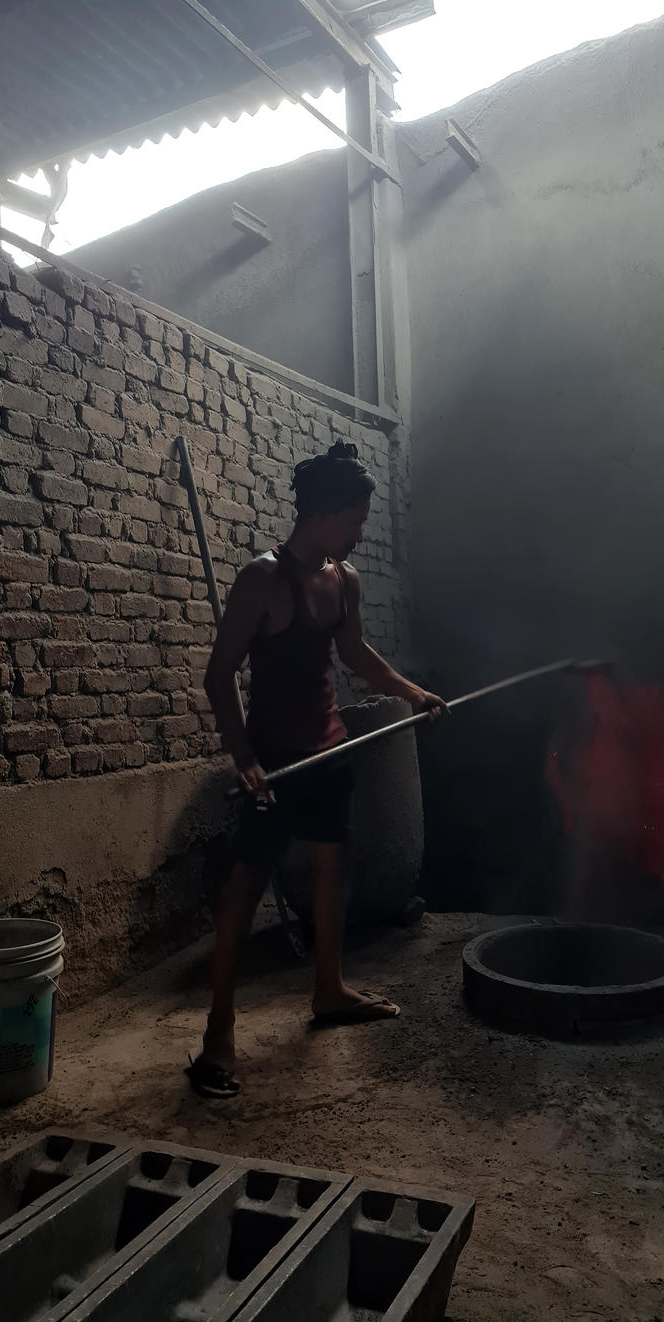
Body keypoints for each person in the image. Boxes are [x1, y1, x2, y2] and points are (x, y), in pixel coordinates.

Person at [189, 440, 445, 1098]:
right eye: (357, 520)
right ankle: (219, 1031)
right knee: (245, 887)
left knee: (334, 868)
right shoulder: (262, 580)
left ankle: (328, 991)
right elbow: (219, 677)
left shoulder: (344, 579)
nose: (361, 532)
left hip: (329, 749)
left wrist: (412, 693)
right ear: (325, 513)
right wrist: (243, 756)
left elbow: (356, 652)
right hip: (274, 762)